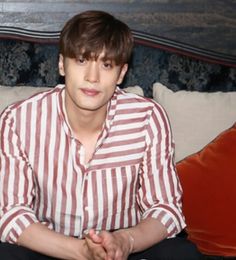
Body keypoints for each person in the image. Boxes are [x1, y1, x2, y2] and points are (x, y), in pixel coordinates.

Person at [0, 10, 202, 260]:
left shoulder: (148, 117)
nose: (92, 78)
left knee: (181, 254)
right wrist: (81, 251)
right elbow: (12, 214)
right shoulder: (18, 120)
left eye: (106, 65)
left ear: (121, 73)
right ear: (62, 64)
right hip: (51, 245)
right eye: (82, 61)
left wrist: (124, 242)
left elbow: (166, 208)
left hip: (125, 244)